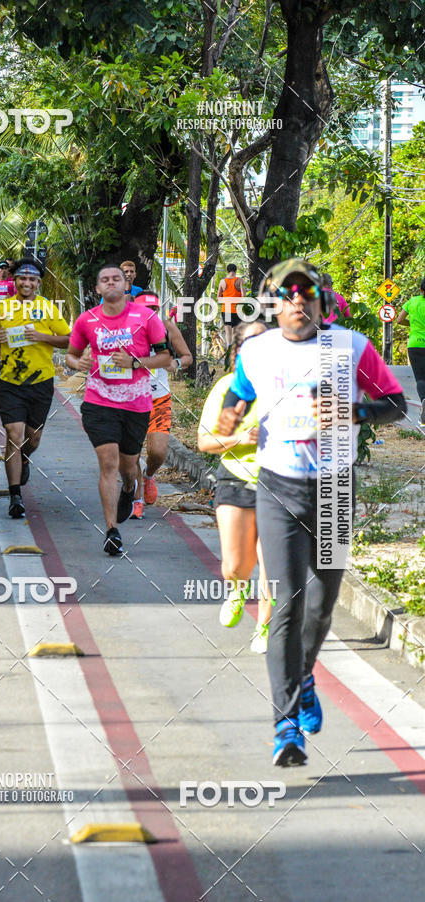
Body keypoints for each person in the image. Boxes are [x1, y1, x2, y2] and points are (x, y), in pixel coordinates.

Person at [218, 258, 406, 766]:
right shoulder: (256, 351)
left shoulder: (352, 347)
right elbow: (237, 396)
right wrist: (230, 413)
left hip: (333, 493)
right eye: (287, 292)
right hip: (278, 488)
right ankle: (285, 728)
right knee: (285, 606)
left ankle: (304, 676)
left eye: (306, 292)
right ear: (274, 302)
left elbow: (397, 402)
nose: (296, 301)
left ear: (321, 300)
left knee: (321, 607)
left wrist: (355, 411)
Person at [65, 264, 171, 555]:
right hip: (99, 401)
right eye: (104, 280)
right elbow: (71, 356)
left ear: (127, 286)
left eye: (117, 279)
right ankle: (112, 530)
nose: (111, 283)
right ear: (97, 289)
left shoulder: (146, 317)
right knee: (108, 463)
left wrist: (136, 363)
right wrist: (79, 364)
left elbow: (165, 357)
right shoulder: (87, 320)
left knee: (128, 466)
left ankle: (129, 488)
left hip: (136, 404)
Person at [197, 320, 272, 654]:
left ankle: (265, 627)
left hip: (280, 483)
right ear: (240, 351)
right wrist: (241, 438)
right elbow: (205, 442)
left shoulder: (290, 386)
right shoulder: (229, 388)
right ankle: (237, 588)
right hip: (236, 478)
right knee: (235, 565)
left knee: (273, 564)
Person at [0, 257, 71, 519]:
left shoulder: (48, 308)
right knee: (13, 435)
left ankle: (25, 458)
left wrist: (42, 337)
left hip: (40, 382)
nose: (27, 283)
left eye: (32, 279)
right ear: (15, 281)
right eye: (22, 278)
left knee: (31, 439)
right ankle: (15, 496)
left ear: (38, 283)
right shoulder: (2, 308)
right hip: (10, 382)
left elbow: (67, 340)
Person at [128, 291, 192, 519]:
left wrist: (176, 362)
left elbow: (187, 356)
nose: (149, 314)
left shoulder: (166, 328)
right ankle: (136, 500)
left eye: (153, 309)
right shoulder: (123, 330)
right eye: (144, 309)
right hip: (130, 399)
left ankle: (149, 476)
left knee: (157, 452)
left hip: (158, 399)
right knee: (132, 454)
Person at [396, 278, 425, 424]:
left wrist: (412, 325)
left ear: (421, 290)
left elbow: (399, 320)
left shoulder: (412, 302)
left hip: (415, 345)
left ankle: (424, 400)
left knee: (421, 378)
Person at [218, 263, 244, 347]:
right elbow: (244, 297)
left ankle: (229, 349)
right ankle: (235, 350)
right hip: (237, 310)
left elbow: (219, 298)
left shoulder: (222, 281)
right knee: (235, 332)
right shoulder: (239, 280)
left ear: (227, 271)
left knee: (228, 332)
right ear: (236, 270)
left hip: (226, 309)